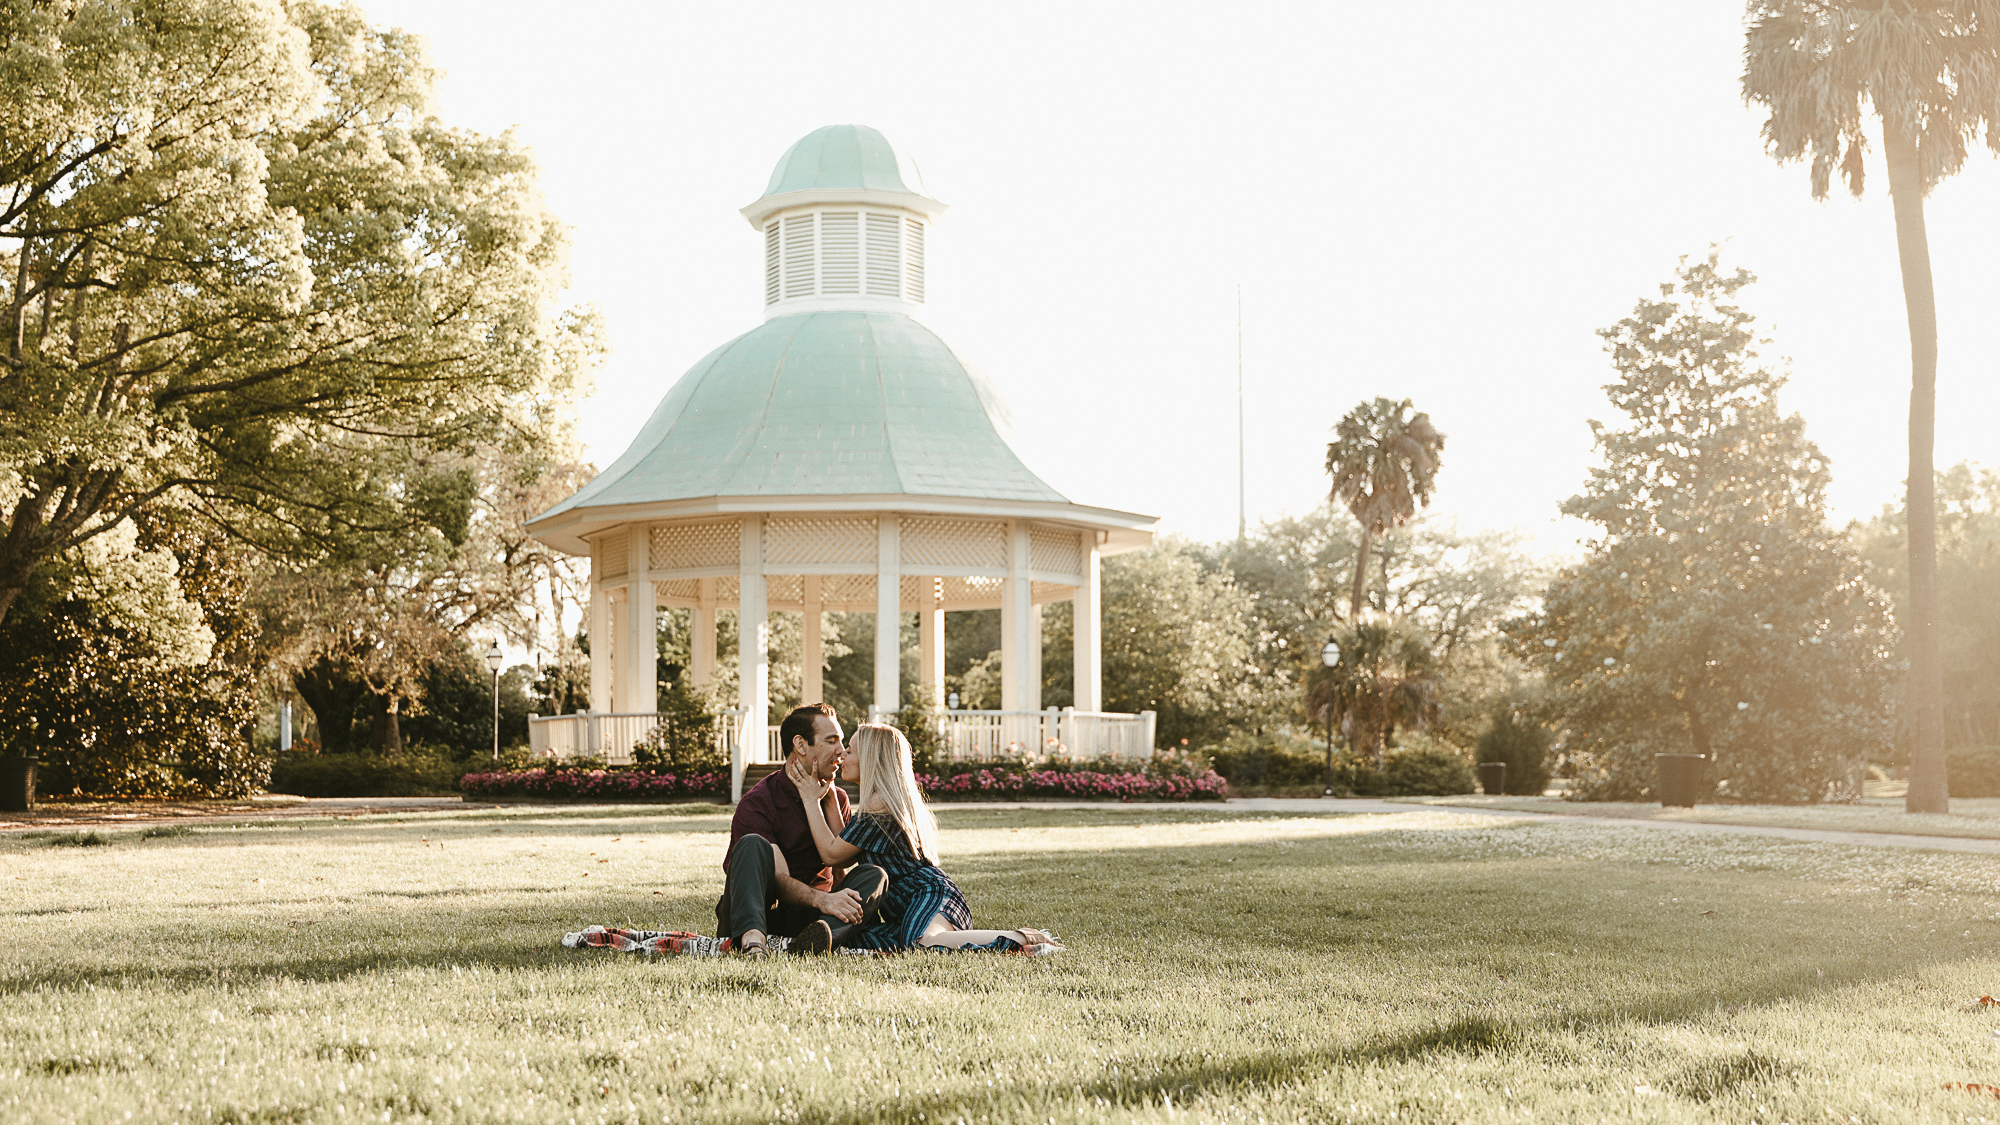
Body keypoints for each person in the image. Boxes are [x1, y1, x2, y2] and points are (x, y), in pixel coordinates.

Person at [788, 723, 1060, 953]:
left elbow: (831, 854)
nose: (842, 756)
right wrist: (830, 794)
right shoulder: (876, 803)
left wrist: (810, 799)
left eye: (850, 751)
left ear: (870, 758)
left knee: (921, 944)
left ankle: (1023, 940)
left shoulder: (879, 804)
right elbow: (841, 843)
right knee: (861, 940)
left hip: (929, 897)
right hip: (906, 910)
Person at [715, 703, 886, 956]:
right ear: (801, 745)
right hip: (764, 914)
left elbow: (841, 867)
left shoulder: (837, 798)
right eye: (831, 741)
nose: (842, 751)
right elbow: (780, 881)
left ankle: (820, 937)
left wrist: (826, 800)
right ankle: (753, 942)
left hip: (814, 918)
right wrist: (824, 900)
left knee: (874, 874)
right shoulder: (758, 802)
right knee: (752, 843)